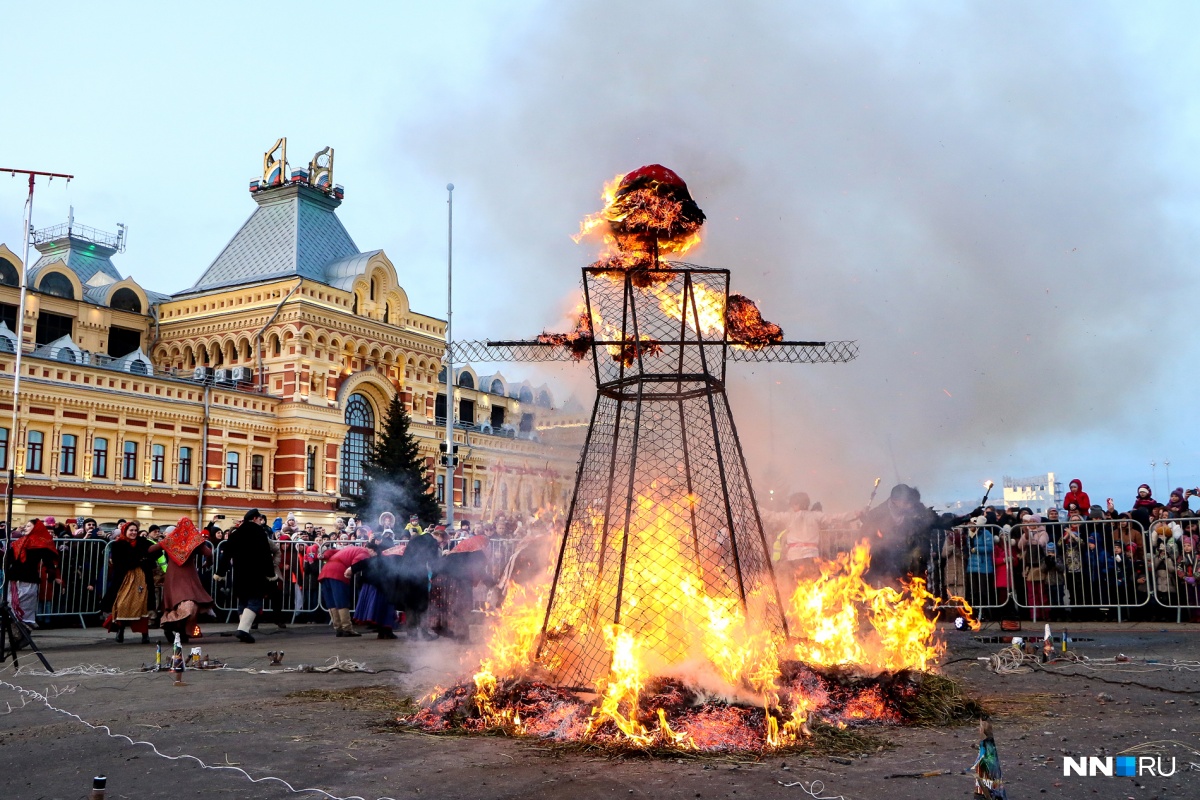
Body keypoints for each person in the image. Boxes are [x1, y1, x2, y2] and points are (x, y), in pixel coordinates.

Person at [765, 492, 861, 594]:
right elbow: (835, 517)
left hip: (794, 558)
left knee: (795, 589)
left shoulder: (789, 517)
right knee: (813, 588)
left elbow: (770, 516)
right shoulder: (815, 516)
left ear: (797, 504)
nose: (792, 507)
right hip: (811, 558)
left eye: (793, 504)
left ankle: (795, 607)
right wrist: (855, 514)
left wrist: (754, 508)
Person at [151, 517, 214, 644]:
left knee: (173, 604)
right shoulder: (194, 541)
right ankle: (182, 631)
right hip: (189, 576)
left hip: (172, 576)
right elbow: (209, 554)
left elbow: (151, 550)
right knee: (190, 604)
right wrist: (208, 564)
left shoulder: (170, 540)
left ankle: (172, 628)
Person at [217, 509, 276, 643]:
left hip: (239, 573)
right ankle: (243, 630)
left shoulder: (236, 534)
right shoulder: (259, 533)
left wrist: (220, 572)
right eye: (260, 519)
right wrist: (270, 574)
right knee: (255, 601)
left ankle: (244, 630)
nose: (261, 521)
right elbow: (266, 555)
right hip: (256, 573)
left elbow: (226, 554)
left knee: (243, 601)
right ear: (255, 518)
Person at [101, 521, 155, 643]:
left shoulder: (143, 542)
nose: (133, 533)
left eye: (135, 530)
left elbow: (153, 554)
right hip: (125, 579)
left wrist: (144, 560)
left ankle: (144, 634)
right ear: (125, 531)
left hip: (142, 578)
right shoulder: (118, 545)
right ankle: (120, 629)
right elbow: (120, 562)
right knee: (122, 604)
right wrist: (139, 559)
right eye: (131, 530)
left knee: (142, 606)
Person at [4, 519, 61, 629]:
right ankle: (15, 632)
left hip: (29, 579)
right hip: (15, 578)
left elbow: (48, 560)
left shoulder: (41, 543)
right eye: (26, 526)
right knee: (12, 604)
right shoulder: (19, 542)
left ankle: (23, 631)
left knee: (25, 607)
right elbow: (9, 558)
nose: (26, 528)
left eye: (29, 526)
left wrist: (51, 573)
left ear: (36, 528)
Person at [319, 543, 373, 637]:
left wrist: (324, 556)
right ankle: (347, 628)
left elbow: (330, 551)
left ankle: (338, 628)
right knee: (341, 600)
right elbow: (357, 562)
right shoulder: (364, 552)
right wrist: (354, 570)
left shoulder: (349, 549)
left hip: (325, 571)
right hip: (338, 571)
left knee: (331, 602)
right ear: (370, 549)